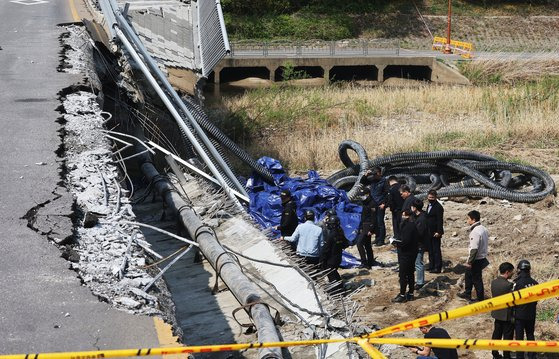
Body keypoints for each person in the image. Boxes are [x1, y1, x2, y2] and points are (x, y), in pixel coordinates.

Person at [458, 210, 489, 303]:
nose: (467, 220)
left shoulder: (475, 231)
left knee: (476, 279)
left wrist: (470, 262)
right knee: (468, 276)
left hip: (476, 259)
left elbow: (474, 248)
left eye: (468, 218)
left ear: (473, 219)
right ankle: (467, 293)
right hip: (481, 256)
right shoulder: (483, 228)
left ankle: (480, 298)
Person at [512, 259, 539, 359]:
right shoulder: (535, 283)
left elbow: (513, 299)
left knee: (519, 337)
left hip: (519, 315)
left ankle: (520, 356)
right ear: (529, 269)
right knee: (530, 335)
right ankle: (532, 356)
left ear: (519, 270)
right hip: (531, 314)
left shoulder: (517, 283)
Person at [392, 210, 419, 303]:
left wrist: (396, 244)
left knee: (403, 275)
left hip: (406, 254)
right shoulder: (412, 225)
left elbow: (406, 242)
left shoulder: (408, 227)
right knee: (410, 273)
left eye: (404, 216)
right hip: (412, 253)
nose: (402, 217)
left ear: (408, 216)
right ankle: (411, 293)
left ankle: (402, 295)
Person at [490, 262, 515, 359]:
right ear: (507, 272)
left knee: (496, 334)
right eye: (512, 272)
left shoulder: (494, 282)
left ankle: (494, 353)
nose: (512, 274)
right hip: (507, 315)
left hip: (496, 313)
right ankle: (506, 356)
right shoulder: (509, 285)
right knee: (507, 337)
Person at [320, 215, 349, 294]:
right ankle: (340, 287)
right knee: (334, 273)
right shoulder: (340, 233)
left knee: (331, 275)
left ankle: (337, 291)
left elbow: (327, 249)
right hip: (338, 257)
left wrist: (322, 259)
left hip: (331, 259)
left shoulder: (331, 235)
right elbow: (346, 244)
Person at [360, 167, 387, 246]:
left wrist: (384, 204)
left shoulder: (384, 181)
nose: (374, 176)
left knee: (380, 222)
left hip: (380, 204)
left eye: (376, 174)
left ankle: (381, 240)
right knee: (374, 222)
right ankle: (377, 238)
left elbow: (387, 194)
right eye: (373, 174)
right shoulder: (373, 180)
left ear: (379, 173)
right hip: (373, 204)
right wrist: (365, 175)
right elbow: (362, 182)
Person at [356, 188, 378, 269]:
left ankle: (364, 262)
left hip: (368, 226)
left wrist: (371, 230)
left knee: (359, 243)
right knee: (367, 245)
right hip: (364, 225)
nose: (362, 197)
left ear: (368, 194)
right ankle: (370, 261)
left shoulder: (372, 203)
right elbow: (363, 216)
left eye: (363, 195)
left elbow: (374, 218)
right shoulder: (365, 202)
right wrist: (360, 227)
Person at [425, 190, 444, 273]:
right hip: (428, 231)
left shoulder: (438, 207)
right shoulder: (429, 205)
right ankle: (431, 265)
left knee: (436, 250)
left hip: (435, 231)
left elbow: (440, 220)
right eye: (429, 197)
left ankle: (437, 267)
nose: (430, 199)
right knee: (430, 249)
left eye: (432, 197)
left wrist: (439, 232)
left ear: (435, 197)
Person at [412, 199, 429, 290]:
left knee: (418, 263)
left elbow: (419, 233)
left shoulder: (422, 219)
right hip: (416, 243)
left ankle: (420, 282)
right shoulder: (416, 216)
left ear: (415, 208)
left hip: (419, 244)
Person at [385, 176, 404, 240]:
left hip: (396, 211)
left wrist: (391, 209)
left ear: (390, 181)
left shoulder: (391, 189)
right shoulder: (402, 187)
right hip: (404, 209)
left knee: (397, 227)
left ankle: (398, 240)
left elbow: (391, 201)